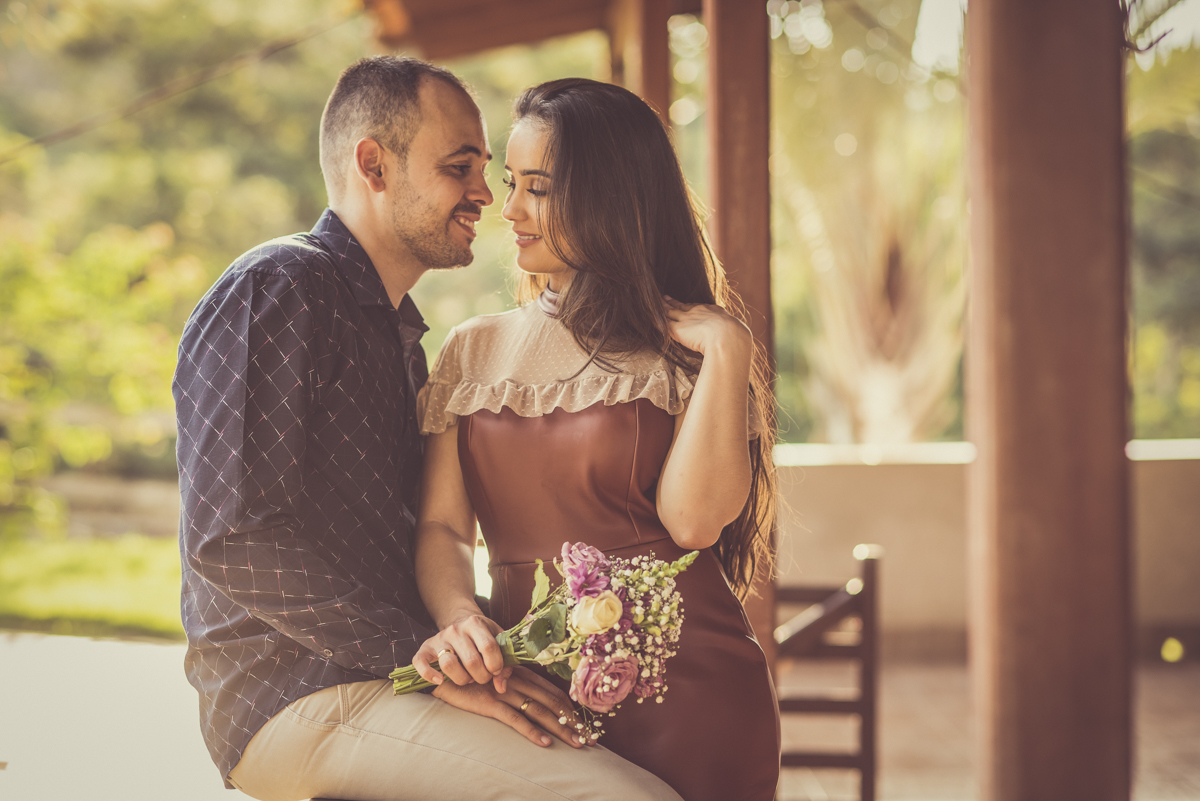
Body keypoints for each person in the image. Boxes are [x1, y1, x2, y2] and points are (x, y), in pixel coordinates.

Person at [173, 57, 682, 801]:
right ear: (373, 166)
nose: (487, 196)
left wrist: (472, 645)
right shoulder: (279, 285)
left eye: (488, 172)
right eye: (460, 167)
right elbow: (233, 537)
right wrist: (422, 655)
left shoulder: (400, 336)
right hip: (295, 695)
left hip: (390, 678)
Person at [410, 78, 782, 801]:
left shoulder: (689, 353)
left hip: (690, 696)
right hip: (531, 693)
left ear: (608, 196)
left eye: (538, 189)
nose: (510, 209)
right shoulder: (473, 351)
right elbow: (443, 525)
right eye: (511, 184)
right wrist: (462, 620)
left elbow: (692, 522)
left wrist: (730, 349)